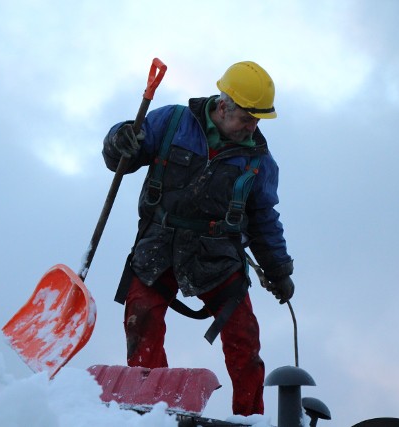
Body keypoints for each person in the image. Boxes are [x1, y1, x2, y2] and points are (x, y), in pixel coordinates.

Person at [102, 61, 295, 416]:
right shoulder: (171, 122)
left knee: (244, 339)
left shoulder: (259, 163)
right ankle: (150, 409)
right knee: (140, 320)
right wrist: (119, 140)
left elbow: (264, 220)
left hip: (216, 257)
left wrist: (279, 269)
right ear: (223, 106)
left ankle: (250, 418)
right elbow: (123, 155)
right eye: (247, 118)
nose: (253, 127)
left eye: (258, 120)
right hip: (157, 248)